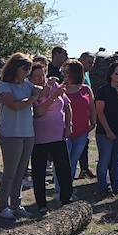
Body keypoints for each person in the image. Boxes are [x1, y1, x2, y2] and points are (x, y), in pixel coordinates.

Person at [0, 53, 36, 218]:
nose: (27, 71)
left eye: (29, 68)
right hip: (11, 134)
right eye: (24, 67)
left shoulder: (28, 85)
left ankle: (16, 204)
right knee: (10, 172)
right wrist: (34, 97)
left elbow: (41, 90)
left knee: (21, 172)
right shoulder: (4, 87)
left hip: (28, 133)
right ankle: (3, 207)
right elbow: (15, 105)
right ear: (14, 67)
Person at [29, 61, 72, 210]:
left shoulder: (55, 85)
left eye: (43, 75)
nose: (41, 79)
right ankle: (41, 204)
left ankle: (66, 199)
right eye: (36, 76)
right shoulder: (31, 91)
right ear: (30, 78)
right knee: (39, 172)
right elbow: (38, 113)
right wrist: (52, 97)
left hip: (58, 135)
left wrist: (68, 125)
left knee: (64, 169)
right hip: (39, 138)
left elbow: (67, 106)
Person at [93, 58, 118, 196]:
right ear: (111, 74)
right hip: (105, 132)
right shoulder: (103, 91)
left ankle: (117, 187)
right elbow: (100, 112)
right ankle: (102, 188)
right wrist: (108, 130)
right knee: (104, 160)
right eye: (117, 73)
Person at [62, 61, 94, 185]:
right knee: (65, 161)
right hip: (65, 131)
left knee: (74, 161)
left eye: (66, 72)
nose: (64, 74)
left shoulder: (86, 89)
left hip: (82, 131)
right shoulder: (61, 89)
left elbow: (91, 106)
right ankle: (61, 189)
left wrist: (93, 122)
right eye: (63, 71)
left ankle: (68, 188)